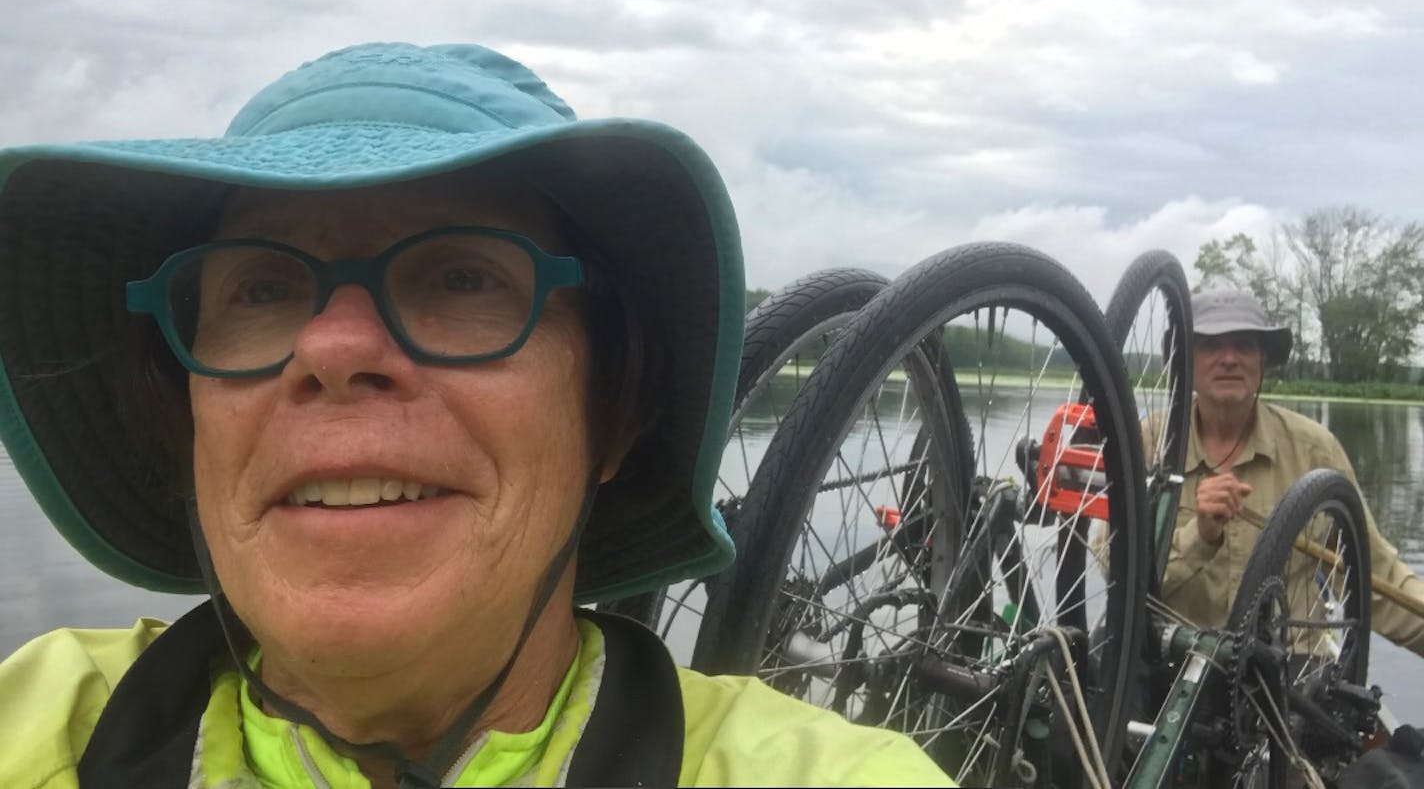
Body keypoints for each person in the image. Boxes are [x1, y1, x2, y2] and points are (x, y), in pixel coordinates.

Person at [0, 43, 956, 788]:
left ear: (614, 414)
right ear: (190, 417)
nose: (331, 350)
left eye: (462, 276)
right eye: (261, 290)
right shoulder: (41, 722)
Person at [1160, 288, 1424, 655]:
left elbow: (1375, 575)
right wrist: (1200, 536)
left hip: (1291, 669)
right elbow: (1116, 572)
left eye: (1244, 346)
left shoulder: (1314, 448)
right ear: (1186, 359)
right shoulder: (1150, 443)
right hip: (1175, 661)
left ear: (1263, 361)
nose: (1229, 359)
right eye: (1211, 346)